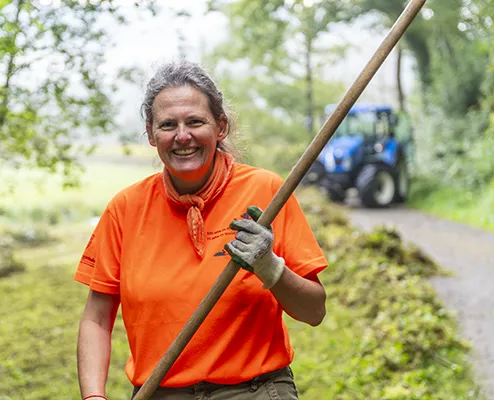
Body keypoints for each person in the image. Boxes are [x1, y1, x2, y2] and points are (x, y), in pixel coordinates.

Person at [74, 60, 329, 400]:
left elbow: (314, 311)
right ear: (151, 134)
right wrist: (93, 397)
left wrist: (271, 267)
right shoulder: (126, 209)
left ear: (220, 126)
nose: (183, 136)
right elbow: (97, 319)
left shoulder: (267, 193)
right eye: (168, 125)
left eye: (195, 121)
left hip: (254, 390)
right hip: (159, 393)